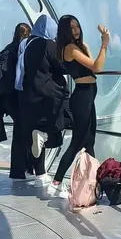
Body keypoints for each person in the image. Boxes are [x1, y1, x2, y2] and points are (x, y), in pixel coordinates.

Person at [47, 15, 110, 199]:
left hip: (88, 96)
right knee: (77, 142)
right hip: (82, 97)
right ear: (64, 31)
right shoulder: (70, 49)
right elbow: (97, 67)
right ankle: (56, 183)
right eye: (71, 28)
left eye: (77, 26)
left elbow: (91, 67)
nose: (76, 30)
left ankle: (94, 185)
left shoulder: (78, 47)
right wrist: (104, 44)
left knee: (89, 142)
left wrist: (88, 47)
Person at [18, 15, 69, 187]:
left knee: (36, 131)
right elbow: (61, 66)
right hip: (49, 94)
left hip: (29, 95)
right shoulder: (48, 45)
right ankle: (45, 133)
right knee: (69, 117)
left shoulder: (28, 44)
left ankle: (40, 175)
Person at [0, 22, 32, 181]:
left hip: (5, 97)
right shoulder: (22, 51)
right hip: (13, 97)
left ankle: (21, 169)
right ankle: (21, 170)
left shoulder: (8, 49)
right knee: (22, 131)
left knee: (21, 131)